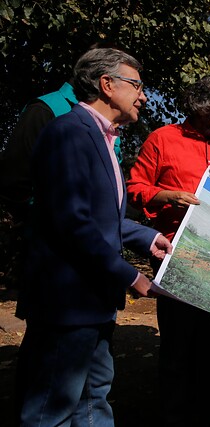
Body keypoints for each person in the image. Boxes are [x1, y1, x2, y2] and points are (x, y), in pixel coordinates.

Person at [15, 47, 172, 427]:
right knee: (51, 409)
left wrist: (146, 237)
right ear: (107, 85)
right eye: (137, 85)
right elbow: (71, 222)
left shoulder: (103, 138)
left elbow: (104, 216)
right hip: (66, 303)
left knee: (93, 397)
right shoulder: (68, 132)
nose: (144, 96)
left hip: (94, 301)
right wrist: (131, 276)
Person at [127, 75, 210, 427]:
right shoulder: (162, 139)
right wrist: (168, 196)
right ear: (204, 108)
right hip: (177, 258)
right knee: (177, 348)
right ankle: (174, 415)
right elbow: (135, 187)